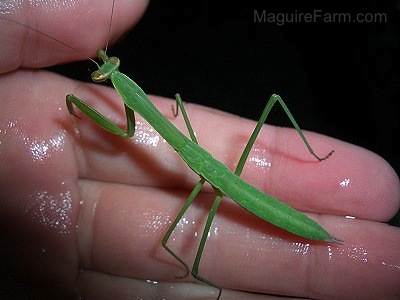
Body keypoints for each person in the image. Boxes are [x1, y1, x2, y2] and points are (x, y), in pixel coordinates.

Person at [1, 0, 399, 299]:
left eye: (109, 69)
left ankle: (205, 275)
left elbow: (126, 134)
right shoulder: (139, 99)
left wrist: (76, 107)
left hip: (229, 187)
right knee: (271, 99)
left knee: (176, 246)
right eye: (106, 70)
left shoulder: (127, 108)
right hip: (220, 177)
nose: (107, 69)